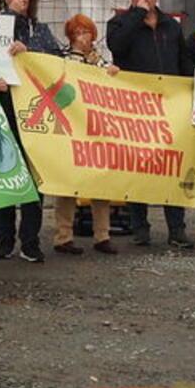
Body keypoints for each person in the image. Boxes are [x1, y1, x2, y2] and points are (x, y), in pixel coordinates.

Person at [106, 0, 195, 250]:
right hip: (136, 105)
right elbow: (116, 46)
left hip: (169, 104)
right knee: (138, 165)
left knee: (172, 164)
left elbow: (182, 58)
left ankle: (177, 228)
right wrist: (136, 15)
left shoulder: (170, 25)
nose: (143, 0)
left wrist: (194, 83)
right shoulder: (120, 22)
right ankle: (140, 228)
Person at [0, 0, 63, 260]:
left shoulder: (39, 29)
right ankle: (4, 239)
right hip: (5, 107)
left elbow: (56, 58)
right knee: (6, 174)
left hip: (34, 112)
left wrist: (29, 50)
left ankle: (30, 240)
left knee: (34, 178)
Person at [53, 14, 120, 255]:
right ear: (71, 37)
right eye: (78, 33)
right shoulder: (64, 59)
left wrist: (112, 73)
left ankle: (102, 234)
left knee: (101, 181)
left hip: (96, 127)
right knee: (68, 184)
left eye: (87, 32)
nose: (83, 38)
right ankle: (63, 236)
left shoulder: (99, 60)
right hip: (73, 126)